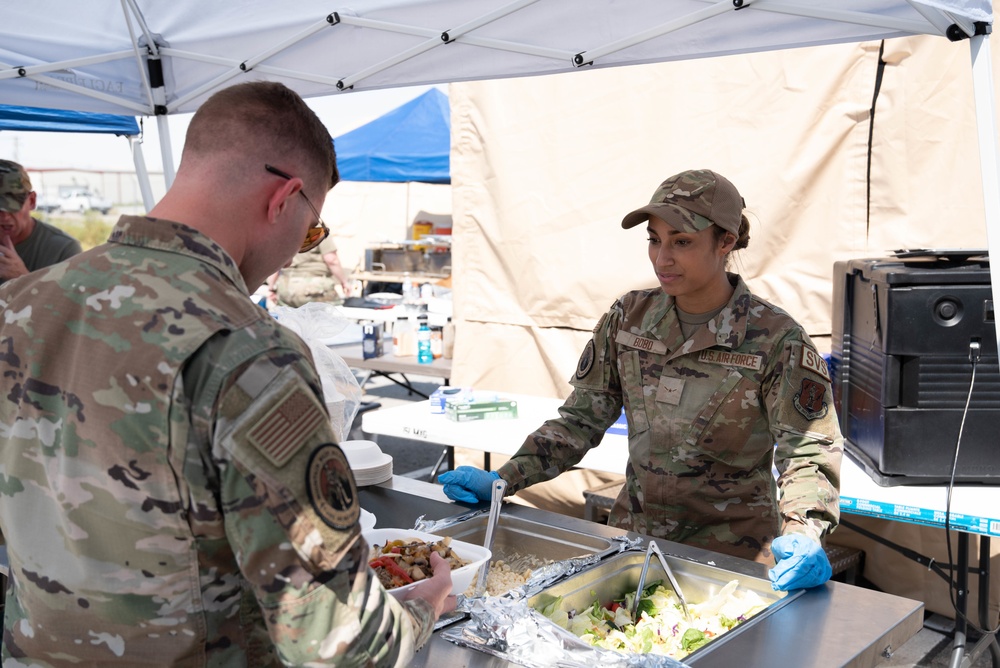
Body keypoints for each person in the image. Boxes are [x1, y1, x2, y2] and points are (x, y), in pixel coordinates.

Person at [0, 81, 454, 666]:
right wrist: (423, 608)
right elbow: (338, 641)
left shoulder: (19, 306)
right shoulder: (248, 349)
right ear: (284, 198)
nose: (296, 252)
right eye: (311, 230)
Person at [440, 169, 843, 591]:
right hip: (635, 546)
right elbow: (581, 419)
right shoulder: (628, 319)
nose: (662, 258)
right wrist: (507, 477)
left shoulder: (775, 338)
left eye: (682, 242)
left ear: (725, 241)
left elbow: (809, 450)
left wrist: (804, 531)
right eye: (655, 239)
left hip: (732, 560)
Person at [0, 159, 82, 285]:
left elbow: (69, 303)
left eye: (12, 207)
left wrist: (22, 278)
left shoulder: (63, 250)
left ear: (32, 201)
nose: (5, 216)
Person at [267, 234, 353, 307]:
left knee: (288, 321)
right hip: (313, 287)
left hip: (286, 287)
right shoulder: (317, 227)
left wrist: (271, 288)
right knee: (330, 316)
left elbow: (276, 261)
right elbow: (332, 260)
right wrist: (344, 282)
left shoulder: (286, 227)